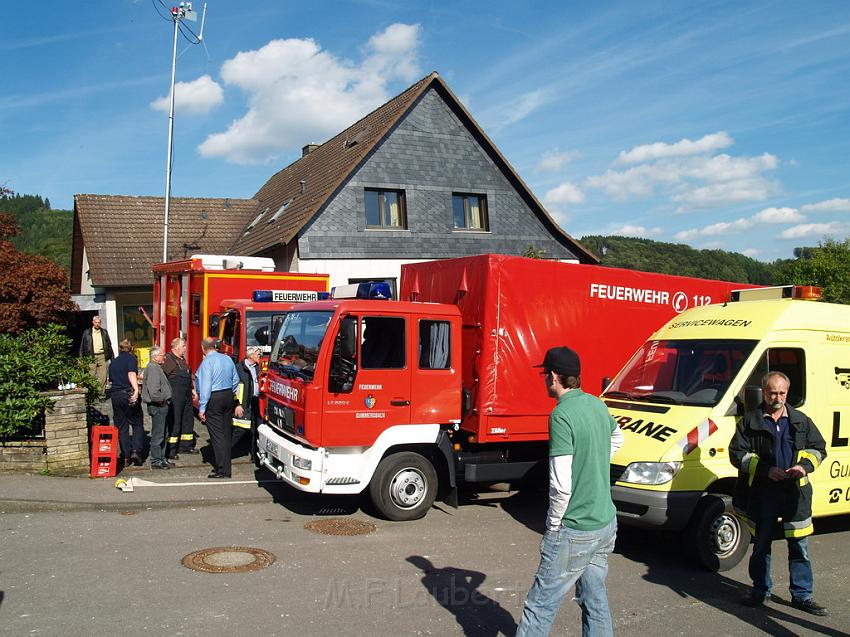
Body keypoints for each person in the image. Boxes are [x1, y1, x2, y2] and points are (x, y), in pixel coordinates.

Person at [516, 346, 624, 637]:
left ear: (553, 376)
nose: (543, 380)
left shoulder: (561, 415)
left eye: (544, 374)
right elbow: (618, 437)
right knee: (595, 599)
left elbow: (561, 486)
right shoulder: (597, 404)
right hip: (605, 523)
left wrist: (553, 528)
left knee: (539, 606)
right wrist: (595, 460)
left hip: (575, 529)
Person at [730, 371, 828, 616]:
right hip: (764, 492)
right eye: (772, 392)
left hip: (796, 492)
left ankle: (802, 595)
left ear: (787, 392)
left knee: (799, 545)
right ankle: (760, 591)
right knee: (761, 545)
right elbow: (737, 454)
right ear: (763, 392)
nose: (778, 397)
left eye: (782, 392)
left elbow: (818, 449)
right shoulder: (749, 421)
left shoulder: (801, 420)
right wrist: (765, 470)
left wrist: (803, 467)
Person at [195, 337, 243, 479]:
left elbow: (205, 387)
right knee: (226, 433)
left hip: (214, 398)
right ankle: (227, 468)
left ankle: (221, 469)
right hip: (228, 395)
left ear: (203, 348)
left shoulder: (206, 363)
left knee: (217, 436)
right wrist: (231, 393)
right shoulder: (227, 359)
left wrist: (202, 408)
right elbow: (235, 380)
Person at [108, 339, 144, 467]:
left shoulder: (113, 362)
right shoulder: (131, 359)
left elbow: (112, 379)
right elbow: (131, 374)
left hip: (115, 395)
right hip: (127, 394)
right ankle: (136, 451)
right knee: (137, 422)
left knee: (122, 426)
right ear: (132, 348)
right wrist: (136, 390)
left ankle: (126, 455)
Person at [162, 337, 198, 459]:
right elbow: (163, 378)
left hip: (187, 394)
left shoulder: (182, 360)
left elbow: (189, 375)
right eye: (183, 346)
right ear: (176, 347)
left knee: (188, 420)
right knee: (175, 421)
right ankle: (171, 450)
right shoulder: (168, 359)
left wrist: (192, 389)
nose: (185, 348)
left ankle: (186, 446)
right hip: (175, 395)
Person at [141, 346, 172, 470]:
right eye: (162, 355)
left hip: (160, 405)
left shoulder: (155, 367)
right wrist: (162, 401)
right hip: (158, 405)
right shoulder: (153, 368)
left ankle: (161, 458)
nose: (164, 357)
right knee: (158, 434)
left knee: (163, 433)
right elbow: (154, 391)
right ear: (155, 357)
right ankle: (156, 460)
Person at [232, 346, 262, 460]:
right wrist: (237, 404)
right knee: (240, 430)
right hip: (243, 404)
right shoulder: (239, 368)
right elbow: (235, 387)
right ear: (251, 355)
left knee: (257, 429)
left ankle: (255, 456)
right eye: (258, 354)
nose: (260, 356)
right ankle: (224, 453)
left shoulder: (258, 368)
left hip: (256, 402)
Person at [79, 315, 114, 398]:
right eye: (96, 322)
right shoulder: (87, 332)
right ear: (93, 322)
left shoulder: (104, 332)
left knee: (103, 376)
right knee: (91, 376)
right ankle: (91, 395)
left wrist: (112, 357)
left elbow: (109, 345)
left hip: (102, 355)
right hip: (91, 356)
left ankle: (101, 394)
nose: (97, 324)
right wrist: (81, 358)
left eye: (99, 322)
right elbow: (82, 345)